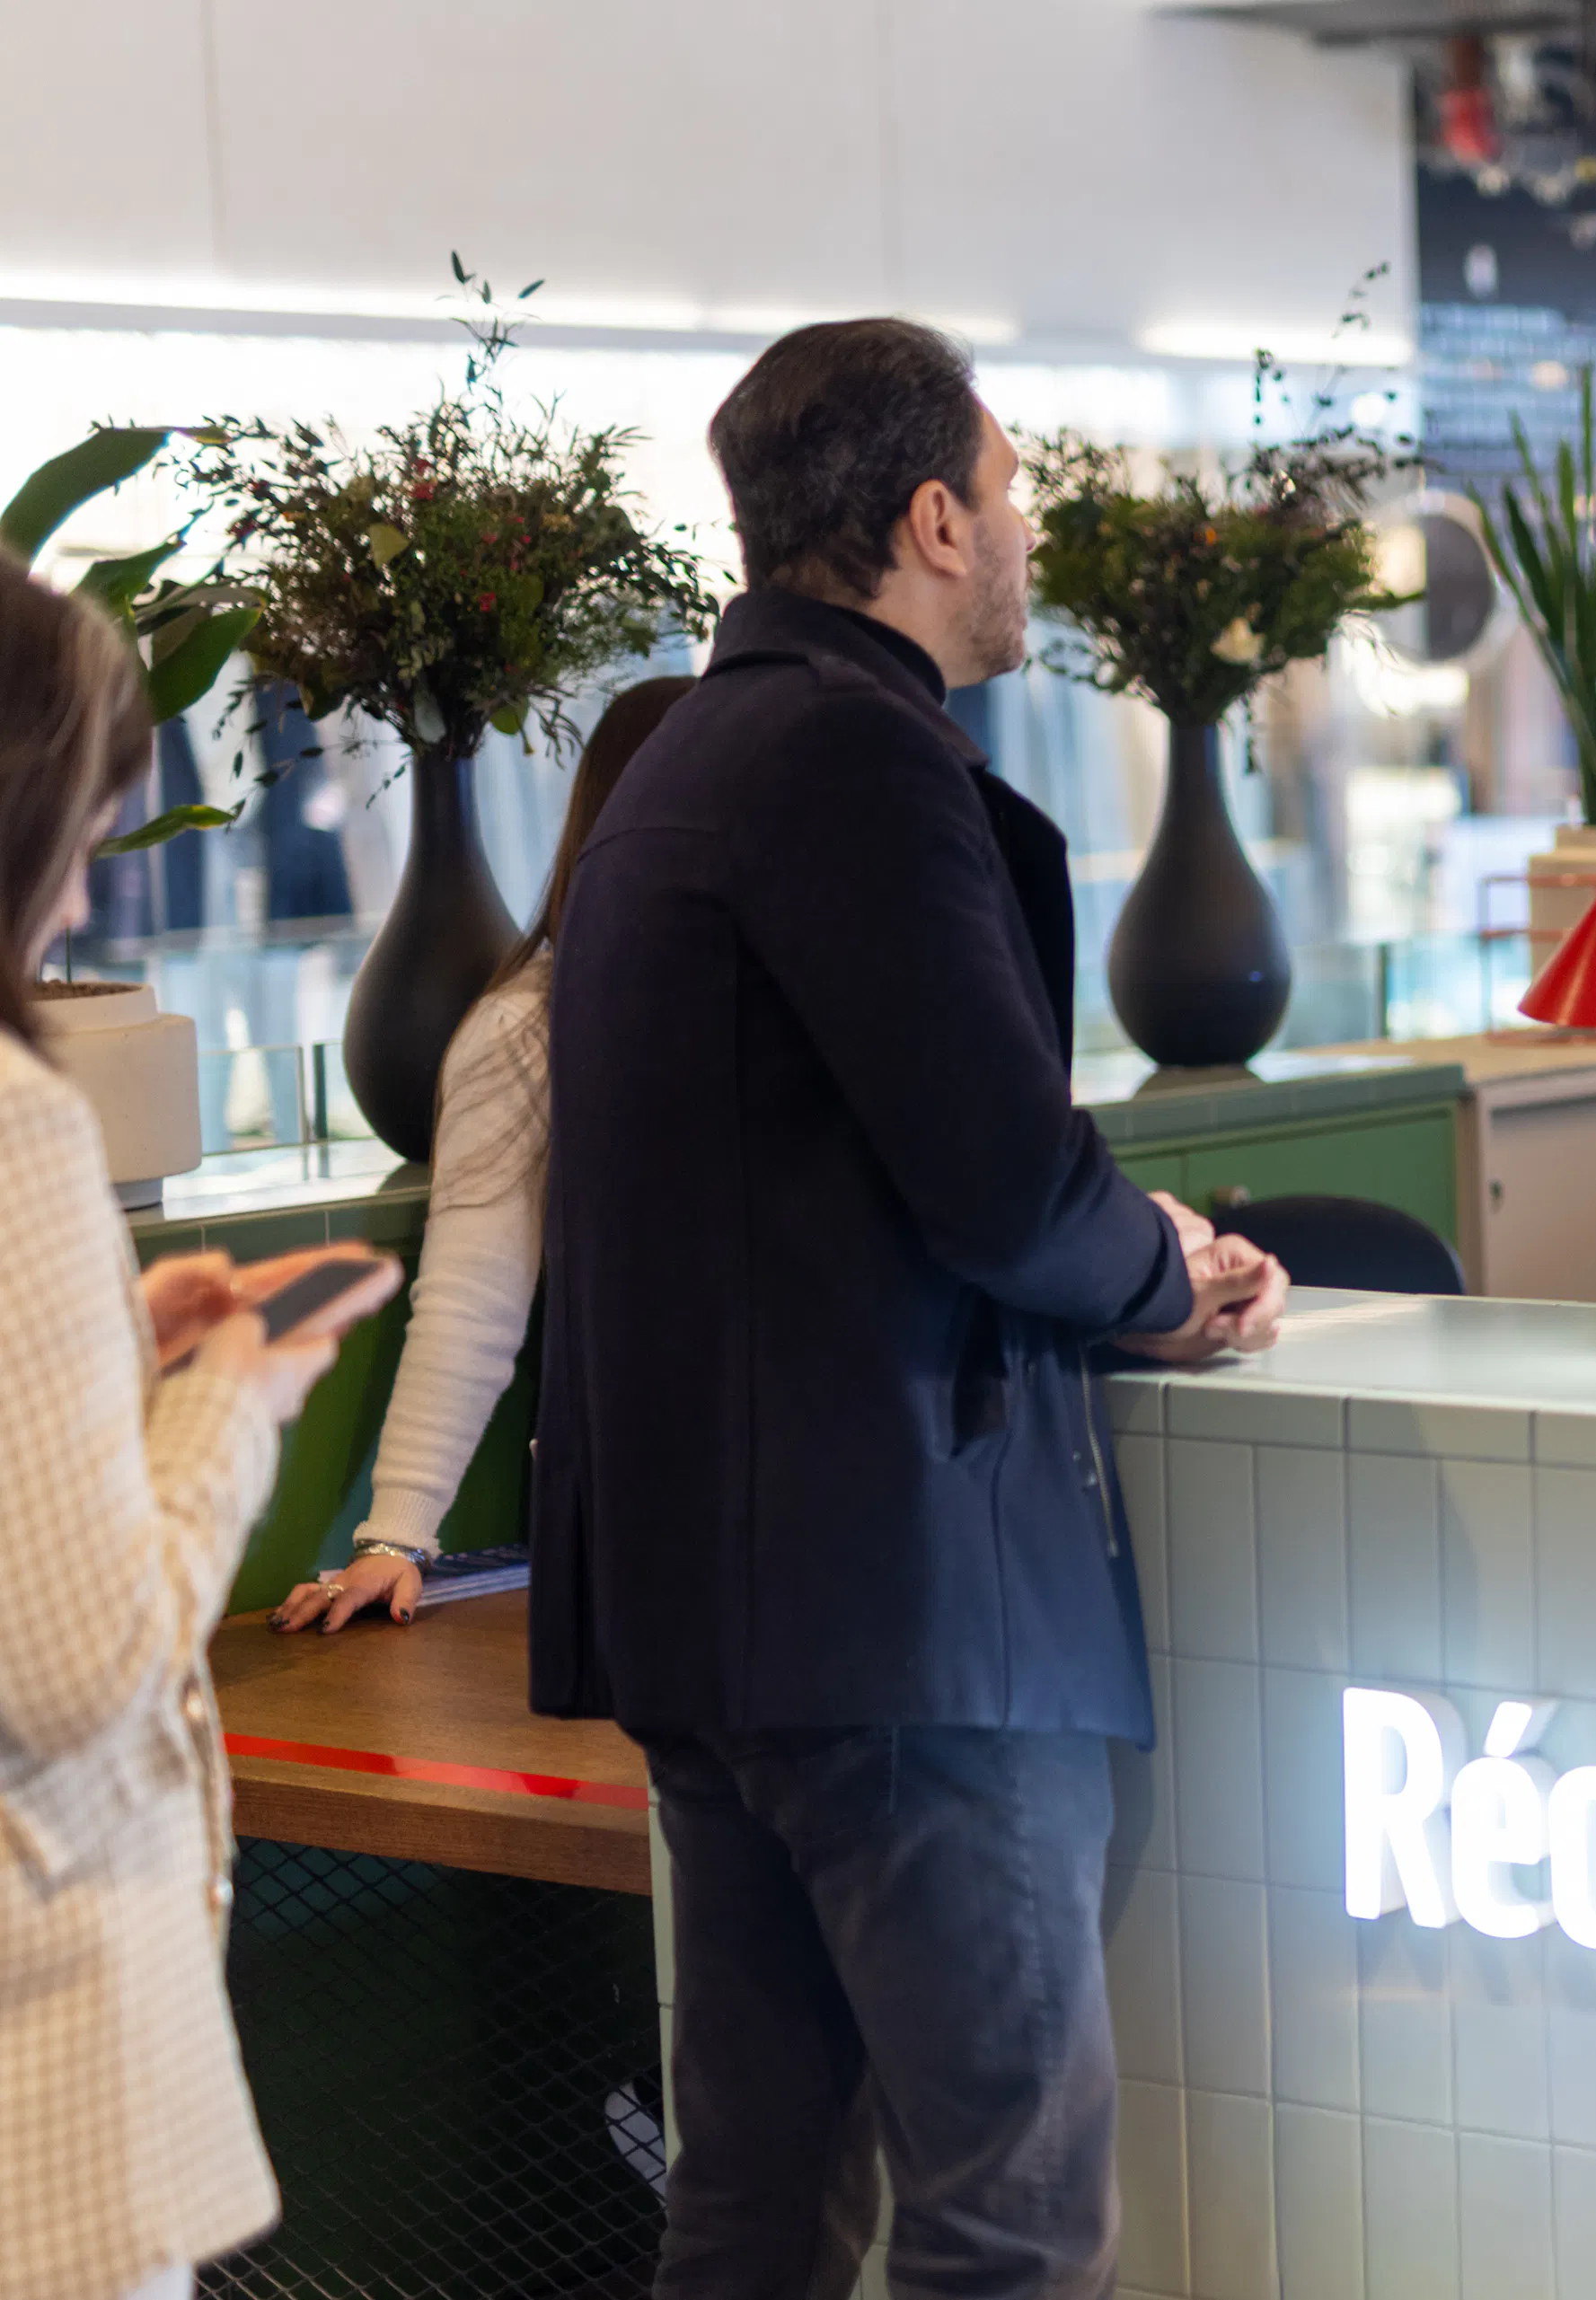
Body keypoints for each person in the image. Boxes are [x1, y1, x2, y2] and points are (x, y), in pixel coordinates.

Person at [531, 319, 1292, 2300]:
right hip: (897, 1614)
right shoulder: (856, 758)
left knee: (759, 2207)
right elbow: (995, 1171)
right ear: (933, 518)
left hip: (718, 1610)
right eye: (1014, 493)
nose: (1026, 536)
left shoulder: (682, 758)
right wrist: (1166, 1279)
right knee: (1006, 2217)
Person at [0, 567, 399, 2300]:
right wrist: (227, 1399)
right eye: (78, 832)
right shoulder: (13, 1133)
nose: (81, 889)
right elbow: (83, 1659)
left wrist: (109, 1342)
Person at [274, 676, 695, 1633]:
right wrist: (396, 1533)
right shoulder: (531, 1027)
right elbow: (473, 1293)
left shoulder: (806, 999)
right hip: (647, 1529)